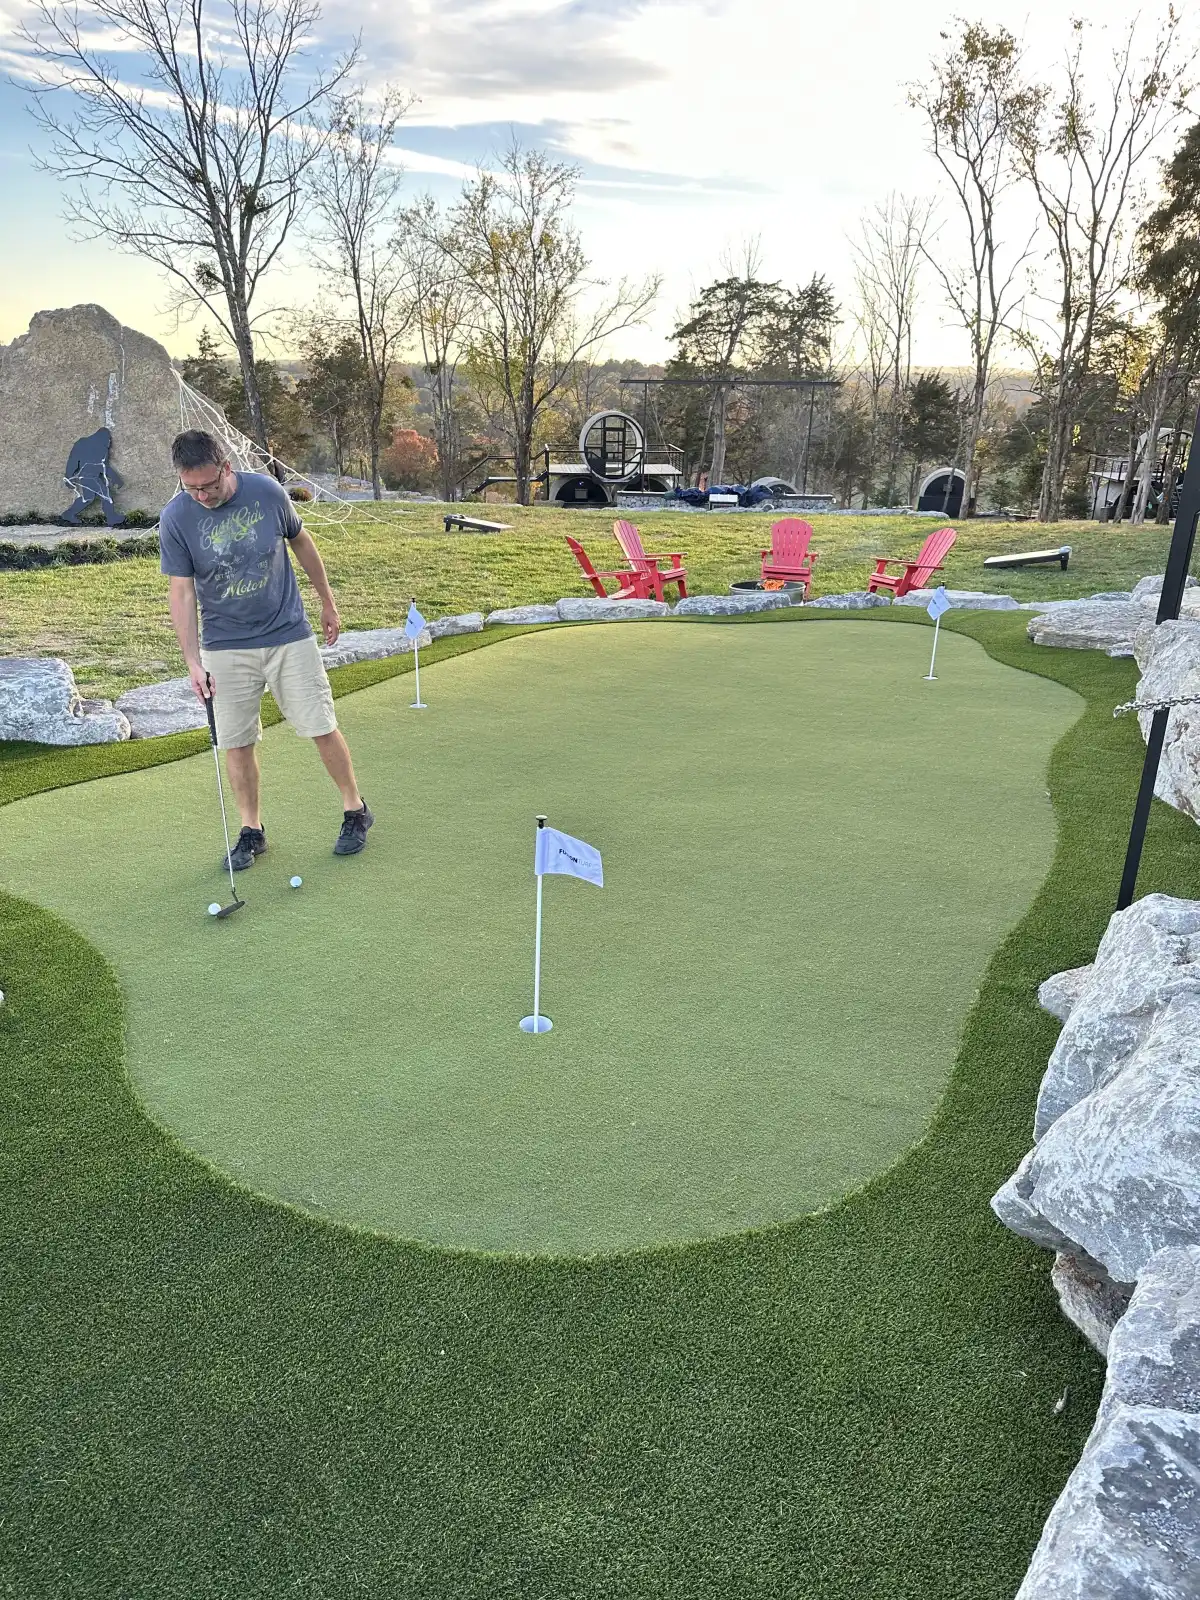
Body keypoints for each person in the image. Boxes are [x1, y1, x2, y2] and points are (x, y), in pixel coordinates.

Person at [161, 429, 373, 869]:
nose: (202, 495)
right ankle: (251, 831)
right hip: (225, 644)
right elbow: (181, 593)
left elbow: (301, 542)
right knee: (236, 743)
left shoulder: (267, 493)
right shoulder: (177, 517)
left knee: (320, 725)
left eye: (210, 485)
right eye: (191, 487)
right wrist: (192, 661)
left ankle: (355, 810)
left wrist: (328, 603)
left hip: (287, 634)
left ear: (226, 468)